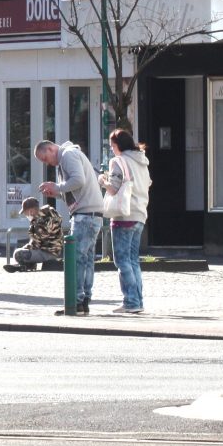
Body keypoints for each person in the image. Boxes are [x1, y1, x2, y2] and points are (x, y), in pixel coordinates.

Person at [35, 139, 103, 316]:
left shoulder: (67, 155)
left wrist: (56, 186)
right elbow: (74, 191)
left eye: (45, 159)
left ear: (50, 148)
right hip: (91, 214)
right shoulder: (69, 156)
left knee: (77, 259)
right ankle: (84, 301)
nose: (47, 163)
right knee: (86, 260)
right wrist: (57, 193)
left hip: (85, 216)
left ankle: (77, 301)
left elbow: (78, 180)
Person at [99, 129, 152, 314]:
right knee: (133, 260)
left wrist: (102, 181)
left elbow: (113, 189)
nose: (112, 150)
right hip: (140, 214)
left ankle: (130, 302)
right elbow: (148, 183)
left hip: (123, 215)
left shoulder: (118, 161)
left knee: (122, 260)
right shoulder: (142, 161)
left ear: (118, 145)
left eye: (112, 146)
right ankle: (138, 300)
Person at [4, 197, 63, 273]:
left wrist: (25, 248)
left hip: (48, 252)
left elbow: (36, 244)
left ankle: (27, 264)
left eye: (25, 213)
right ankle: (27, 264)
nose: (25, 215)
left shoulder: (40, 221)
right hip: (55, 251)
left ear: (31, 211)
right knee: (25, 251)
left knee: (18, 253)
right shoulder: (48, 215)